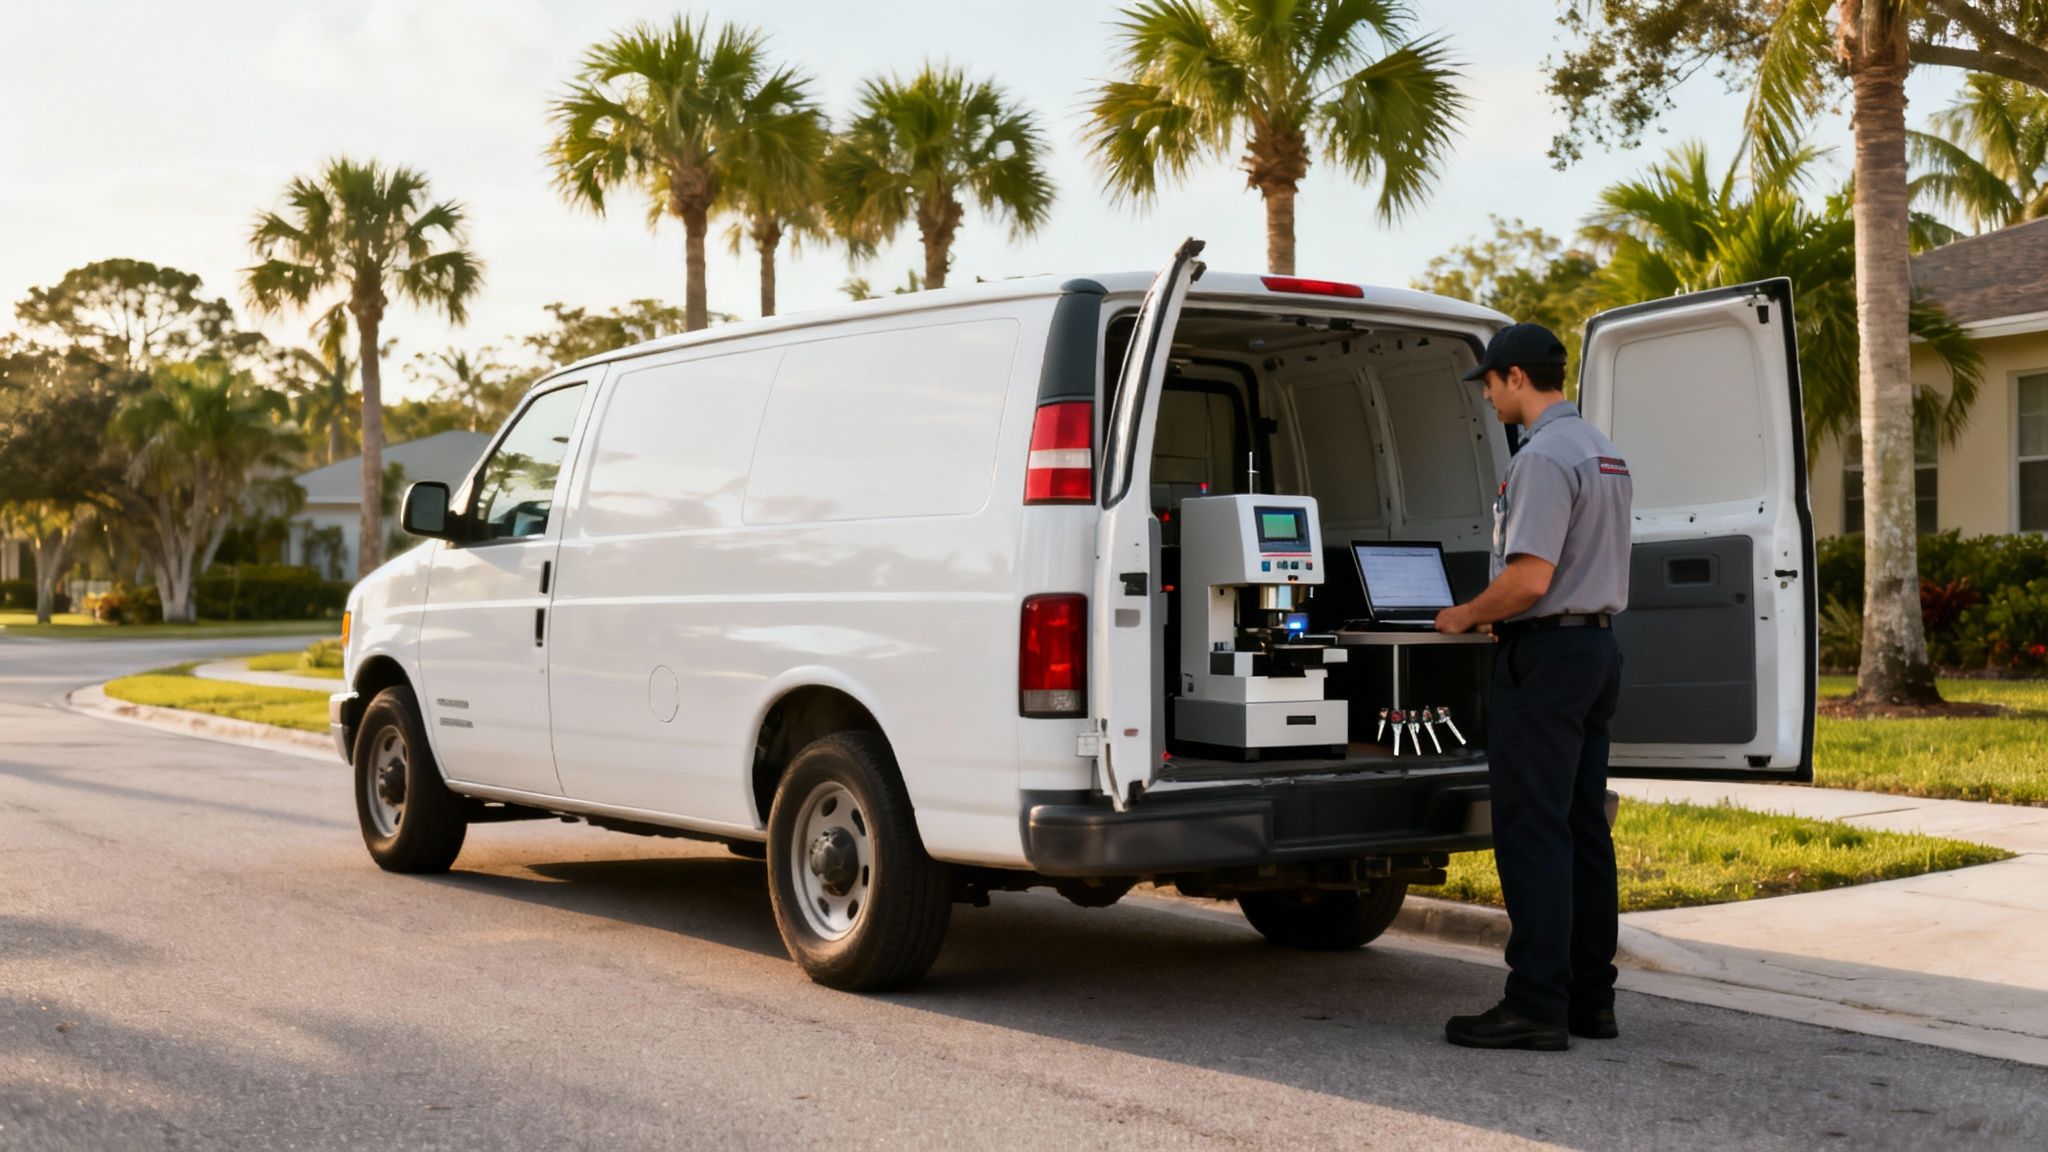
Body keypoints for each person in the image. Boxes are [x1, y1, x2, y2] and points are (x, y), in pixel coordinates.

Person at [1433, 322, 1633, 1051]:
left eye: (1488, 381)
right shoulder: (1601, 449)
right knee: (1582, 828)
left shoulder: (1543, 457)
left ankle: (1535, 1004)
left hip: (1545, 661)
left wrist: (1464, 614)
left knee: (1533, 828)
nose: (1486, 395)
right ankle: (1590, 998)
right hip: (1595, 653)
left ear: (1517, 377)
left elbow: (1529, 579)